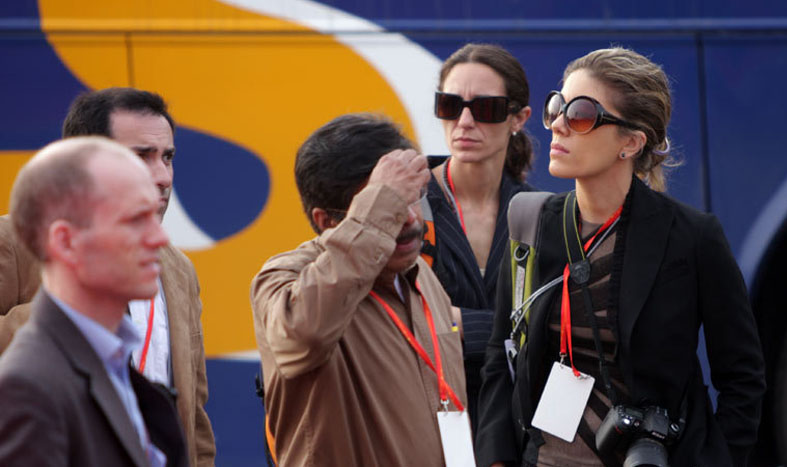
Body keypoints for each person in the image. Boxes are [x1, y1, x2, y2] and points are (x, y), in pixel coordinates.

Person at [476, 48, 765, 467]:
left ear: (630, 142)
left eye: (580, 114)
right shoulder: (530, 221)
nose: (558, 124)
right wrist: (497, 459)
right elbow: (499, 357)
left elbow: (743, 378)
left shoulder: (692, 238)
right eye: (557, 107)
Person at [0, 87, 215, 467]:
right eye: (141, 157)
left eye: (167, 157)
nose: (162, 176)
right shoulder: (15, 239)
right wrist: (76, 311)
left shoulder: (177, 268)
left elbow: (194, 416)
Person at [251, 114, 468, 466]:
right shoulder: (286, 277)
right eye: (388, 206)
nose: (412, 219)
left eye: (413, 197)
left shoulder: (420, 274)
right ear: (326, 221)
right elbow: (302, 335)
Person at [426, 43, 534, 430]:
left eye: (485, 108)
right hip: (426, 425)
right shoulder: (403, 205)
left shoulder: (542, 214)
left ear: (518, 118)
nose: (465, 121)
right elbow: (391, 328)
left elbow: (555, 330)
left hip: (518, 429)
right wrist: (503, 330)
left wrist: (455, 324)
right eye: (450, 105)